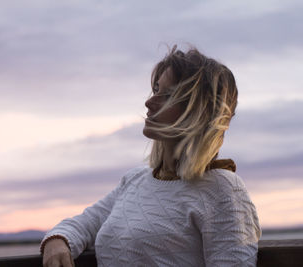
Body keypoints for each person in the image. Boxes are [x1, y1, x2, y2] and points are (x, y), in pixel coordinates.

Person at [40, 45, 262, 267]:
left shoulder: (224, 190)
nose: (149, 102)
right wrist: (58, 240)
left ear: (199, 111)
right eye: (156, 90)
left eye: (168, 95)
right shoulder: (135, 181)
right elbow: (84, 224)